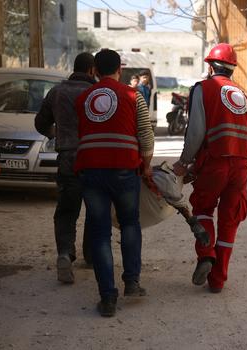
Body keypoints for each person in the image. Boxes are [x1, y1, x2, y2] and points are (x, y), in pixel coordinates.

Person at [74, 49, 154, 317]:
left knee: (100, 233)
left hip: (91, 170)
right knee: (130, 222)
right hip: (124, 169)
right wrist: (147, 165)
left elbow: (80, 132)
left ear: (94, 71)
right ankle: (131, 281)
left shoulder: (84, 98)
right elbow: (145, 133)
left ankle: (107, 298)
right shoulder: (133, 96)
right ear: (120, 69)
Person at [173, 43, 247, 294]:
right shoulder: (243, 95)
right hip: (241, 166)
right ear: (232, 69)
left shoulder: (203, 89)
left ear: (210, 66)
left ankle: (206, 255)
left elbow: (196, 131)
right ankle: (218, 280)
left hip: (215, 161)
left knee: (204, 208)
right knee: (230, 219)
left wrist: (185, 162)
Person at [35, 52, 96, 283]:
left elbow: (40, 122)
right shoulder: (96, 93)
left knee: (67, 211)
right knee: (95, 208)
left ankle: (64, 254)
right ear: (92, 71)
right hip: (94, 160)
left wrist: (56, 133)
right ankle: (91, 256)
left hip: (68, 158)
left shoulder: (57, 92)